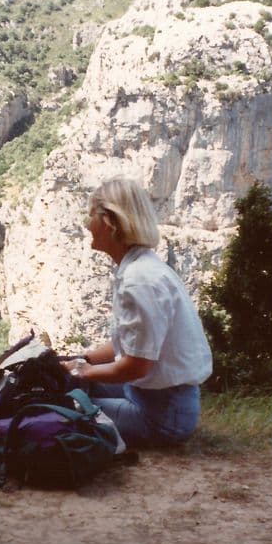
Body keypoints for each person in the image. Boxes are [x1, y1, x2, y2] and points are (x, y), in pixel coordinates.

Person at [64, 178, 212, 446]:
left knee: (62, 405)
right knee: (65, 386)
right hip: (153, 395)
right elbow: (130, 341)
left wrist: (81, 371)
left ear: (109, 222)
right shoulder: (141, 268)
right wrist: (83, 358)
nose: (88, 225)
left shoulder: (139, 280)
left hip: (162, 415)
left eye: (91, 216)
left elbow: (136, 365)